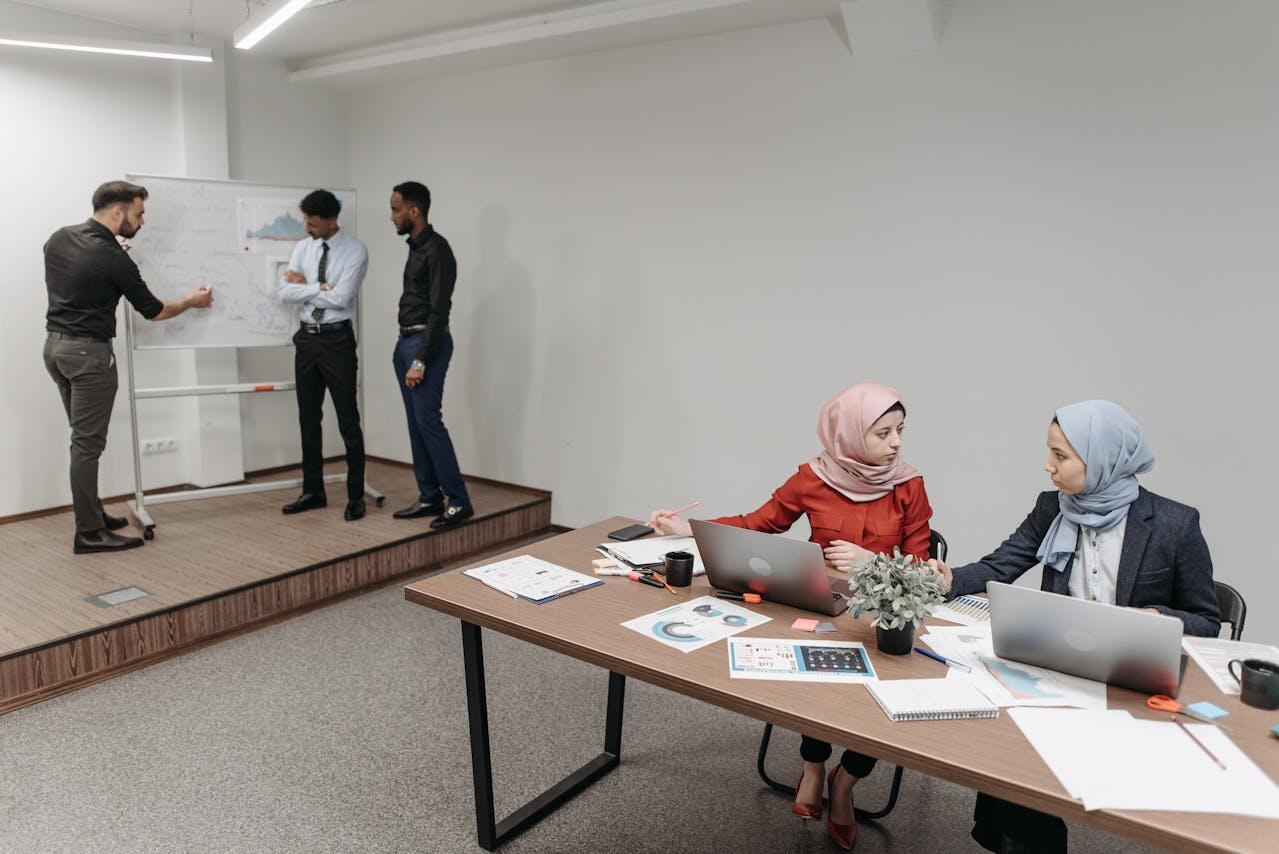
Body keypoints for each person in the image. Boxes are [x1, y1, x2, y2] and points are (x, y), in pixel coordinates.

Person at [649, 381, 933, 850]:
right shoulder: (813, 477)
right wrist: (689, 529)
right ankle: (815, 764)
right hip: (818, 603)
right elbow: (759, 524)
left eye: (900, 430)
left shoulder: (909, 485)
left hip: (878, 614)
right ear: (848, 434)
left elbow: (920, 567)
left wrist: (872, 561)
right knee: (811, 682)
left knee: (881, 698)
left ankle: (846, 782)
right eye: (883, 433)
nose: (897, 443)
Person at [928, 399, 1220, 854]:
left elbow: (1206, 621)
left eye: (1060, 455)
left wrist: (1156, 619)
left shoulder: (1174, 524)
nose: (1048, 466)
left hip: (1130, 681)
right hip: (1061, 668)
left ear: (1102, 457)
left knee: (1026, 776)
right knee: (1015, 745)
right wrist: (946, 579)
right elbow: (1002, 564)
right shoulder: (1052, 508)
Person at [44, 180, 213, 554]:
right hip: (89, 356)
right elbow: (154, 311)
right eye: (139, 214)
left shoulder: (59, 238)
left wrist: (110, 253)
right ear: (117, 212)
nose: (142, 222)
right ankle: (88, 532)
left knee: (82, 441)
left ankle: (95, 515)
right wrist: (190, 300)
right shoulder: (115, 259)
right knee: (87, 446)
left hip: (56, 350)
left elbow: (80, 274)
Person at [278, 189, 370, 522]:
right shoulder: (303, 248)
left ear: (332, 221)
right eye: (306, 222)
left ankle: (356, 495)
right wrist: (323, 288)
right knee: (308, 418)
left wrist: (310, 288)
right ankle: (313, 491)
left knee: (348, 420)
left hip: (337, 342)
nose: (308, 229)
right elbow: (285, 291)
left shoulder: (355, 250)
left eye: (314, 224)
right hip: (306, 340)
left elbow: (343, 298)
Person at [388, 181, 473, 530]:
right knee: (416, 423)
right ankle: (429, 496)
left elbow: (439, 310)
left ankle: (458, 501)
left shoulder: (438, 250)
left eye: (395, 209)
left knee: (429, 422)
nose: (391, 216)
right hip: (406, 342)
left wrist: (420, 359)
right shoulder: (415, 247)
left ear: (414, 211)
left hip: (427, 344)